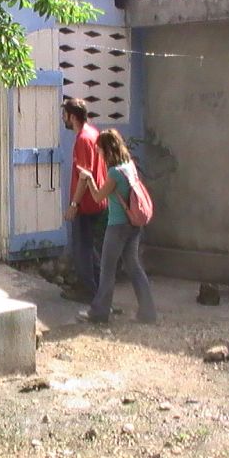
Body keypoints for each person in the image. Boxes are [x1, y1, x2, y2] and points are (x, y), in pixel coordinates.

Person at [78, 129, 157, 323]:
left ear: (107, 149)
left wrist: (88, 178)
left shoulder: (114, 172)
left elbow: (98, 197)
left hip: (118, 225)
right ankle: (148, 312)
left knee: (107, 269)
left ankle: (99, 312)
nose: (99, 153)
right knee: (134, 266)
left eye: (100, 150)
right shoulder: (129, 165)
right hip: (133, 224)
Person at [61, 98, 107, 303]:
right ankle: (98, 290)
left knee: (82, 249)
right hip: (95, 201)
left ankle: (88, 291)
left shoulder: (82, 139)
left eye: (65, 114)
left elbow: (84, 174)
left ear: (72, 116)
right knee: (89, 248)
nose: (63, 118)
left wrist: (74, 204)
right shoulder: (93, 134)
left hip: (86, 203)